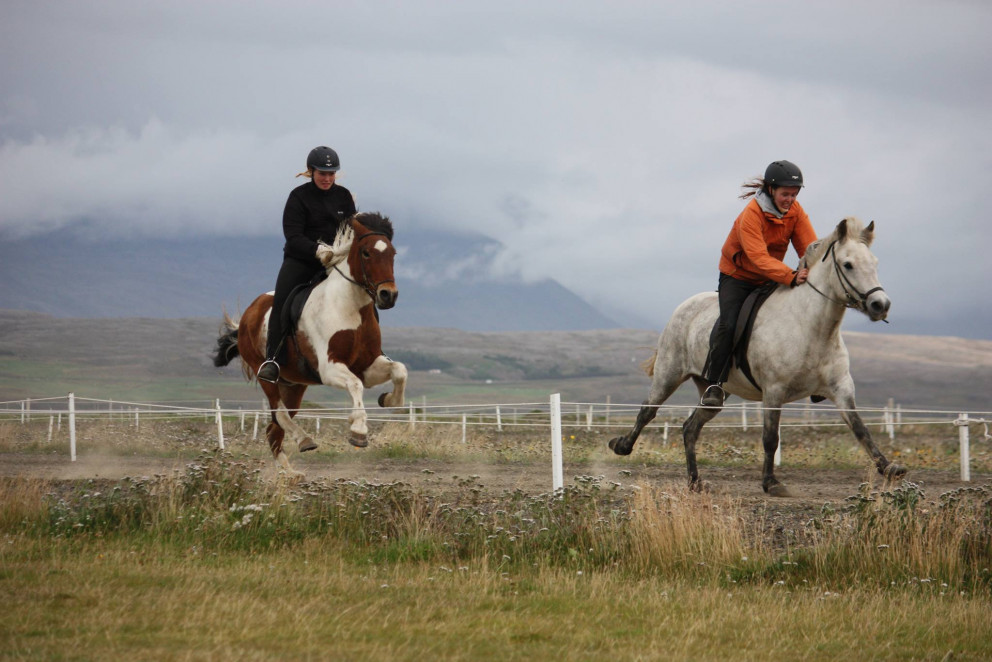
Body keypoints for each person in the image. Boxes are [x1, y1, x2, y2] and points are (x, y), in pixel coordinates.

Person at [699, 160, 818, 407]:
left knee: (804, 314)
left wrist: (816, 269)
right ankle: (714, 383)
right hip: (738, 277)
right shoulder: (751, 215)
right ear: (771, 189)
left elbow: (809, 248)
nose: (790, 199)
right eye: (785, 194)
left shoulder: (795, 211)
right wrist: (791, 276)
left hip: (771, 276)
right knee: (729, 323)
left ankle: (816, 378)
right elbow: (758, 258)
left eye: (794, 194)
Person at [257, 146, 357, 383]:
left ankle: (373, 350)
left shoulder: (344, 197)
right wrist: (317, 249)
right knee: (282, 300)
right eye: (322, 173)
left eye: (331, 173)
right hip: (301, 261)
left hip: (335, 263)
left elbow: (352, 229)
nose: (327, 178)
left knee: (363, 295)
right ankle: (273, 359)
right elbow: (292, 236)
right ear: (311, 171)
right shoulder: (298, 197)